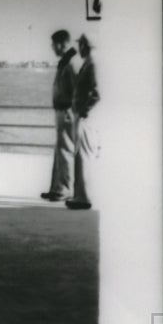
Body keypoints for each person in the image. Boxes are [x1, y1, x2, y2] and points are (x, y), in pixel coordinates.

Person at [41, 30, 79, 201]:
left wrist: (73, 111)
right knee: (59, 150)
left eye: (53, 44)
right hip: (61, 111)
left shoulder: (71, 63)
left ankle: (64, 189)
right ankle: (56, 187)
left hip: (67, 112)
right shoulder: (65, 62)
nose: (52, 48)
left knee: (65, 150)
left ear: (61, 44)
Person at [67, 33, 100, 210]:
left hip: (83, 117)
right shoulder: (87, 65)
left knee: (83, 157)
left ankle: (83, 198)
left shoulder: (91, 66)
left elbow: (96, 94)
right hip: (80, 115)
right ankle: (79, 195)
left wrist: (84, 111)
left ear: (85, 46)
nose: (78, 48)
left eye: (80, 45)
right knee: (80, 156)